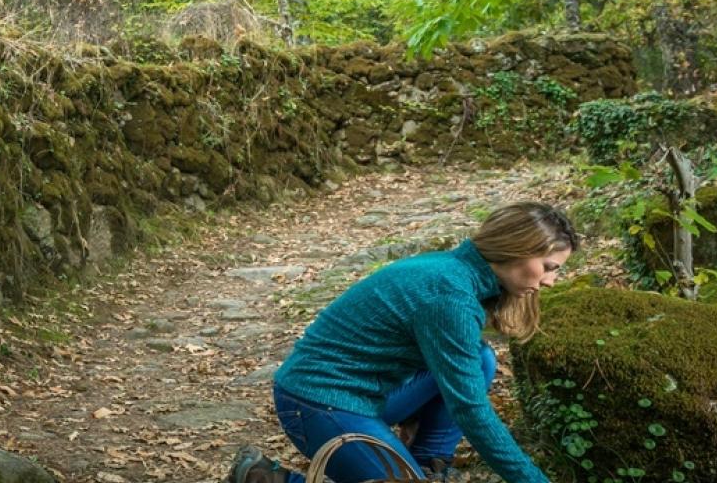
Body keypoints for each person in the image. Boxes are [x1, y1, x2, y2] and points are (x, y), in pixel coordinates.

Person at [228, 201, 578, 483]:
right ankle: (266, 478)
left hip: (372, 393)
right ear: (515, 248)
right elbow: (471, 410)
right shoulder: (450, 297)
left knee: (480, 358)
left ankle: (427, 467)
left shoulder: (456, 269)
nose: (549, 282)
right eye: (547, 266)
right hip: (319, 401)